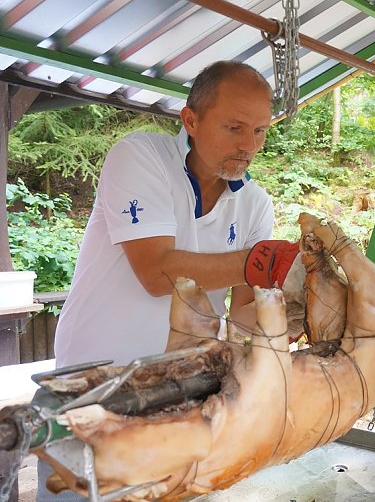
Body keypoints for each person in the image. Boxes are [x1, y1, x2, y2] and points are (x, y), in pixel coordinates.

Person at [38, 61, 302, 501]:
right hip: (94, 382)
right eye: (234, 127)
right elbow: (157, 272)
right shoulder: (140, 157)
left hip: (182, 389)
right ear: (191, 120)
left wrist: (290, 311)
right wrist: (258, 264)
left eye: (259, 131)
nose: (248, 145)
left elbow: (243, 312)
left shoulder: (255, 204)